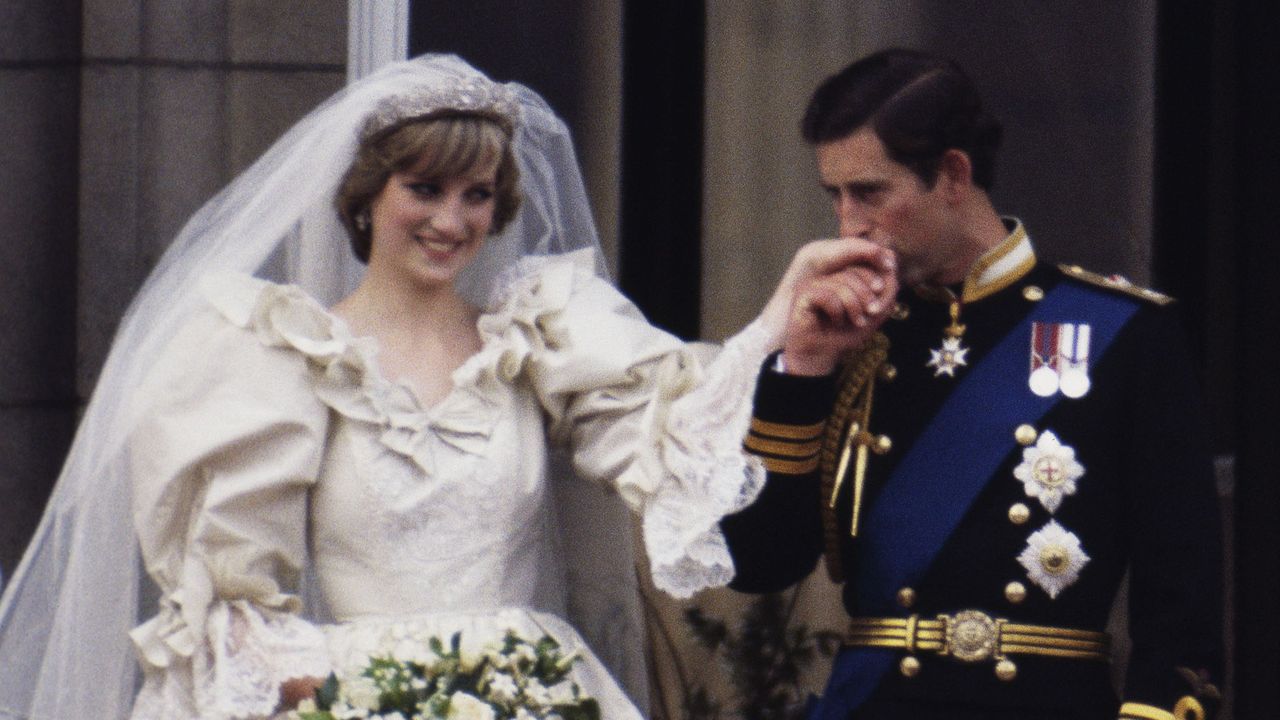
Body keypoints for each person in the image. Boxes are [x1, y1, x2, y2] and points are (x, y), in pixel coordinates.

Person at [0, 55, 879, 720]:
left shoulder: (540, 334)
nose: (452, 220)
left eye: (477, 194)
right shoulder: (279, 355)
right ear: (366, 195)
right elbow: (234, 611)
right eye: (424, 189)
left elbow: (680, 442)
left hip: (531, 694)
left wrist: (775, 328)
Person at [721, 48, 1223, 720]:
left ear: (953, 174)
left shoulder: (1123, 333)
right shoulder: (847, 335)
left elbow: (1180, 598)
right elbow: (759, 563)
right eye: (834, 196)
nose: (847, 224)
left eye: (870, 192)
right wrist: (802, 369)